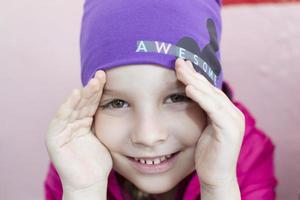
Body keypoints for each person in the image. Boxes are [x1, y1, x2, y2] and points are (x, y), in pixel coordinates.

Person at [44, 0, 277, 199]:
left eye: (177, 97)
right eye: (117, 103)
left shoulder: (247, 156)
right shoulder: (75, 159)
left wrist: (218, 187)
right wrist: (84, 191)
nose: (148, 136)